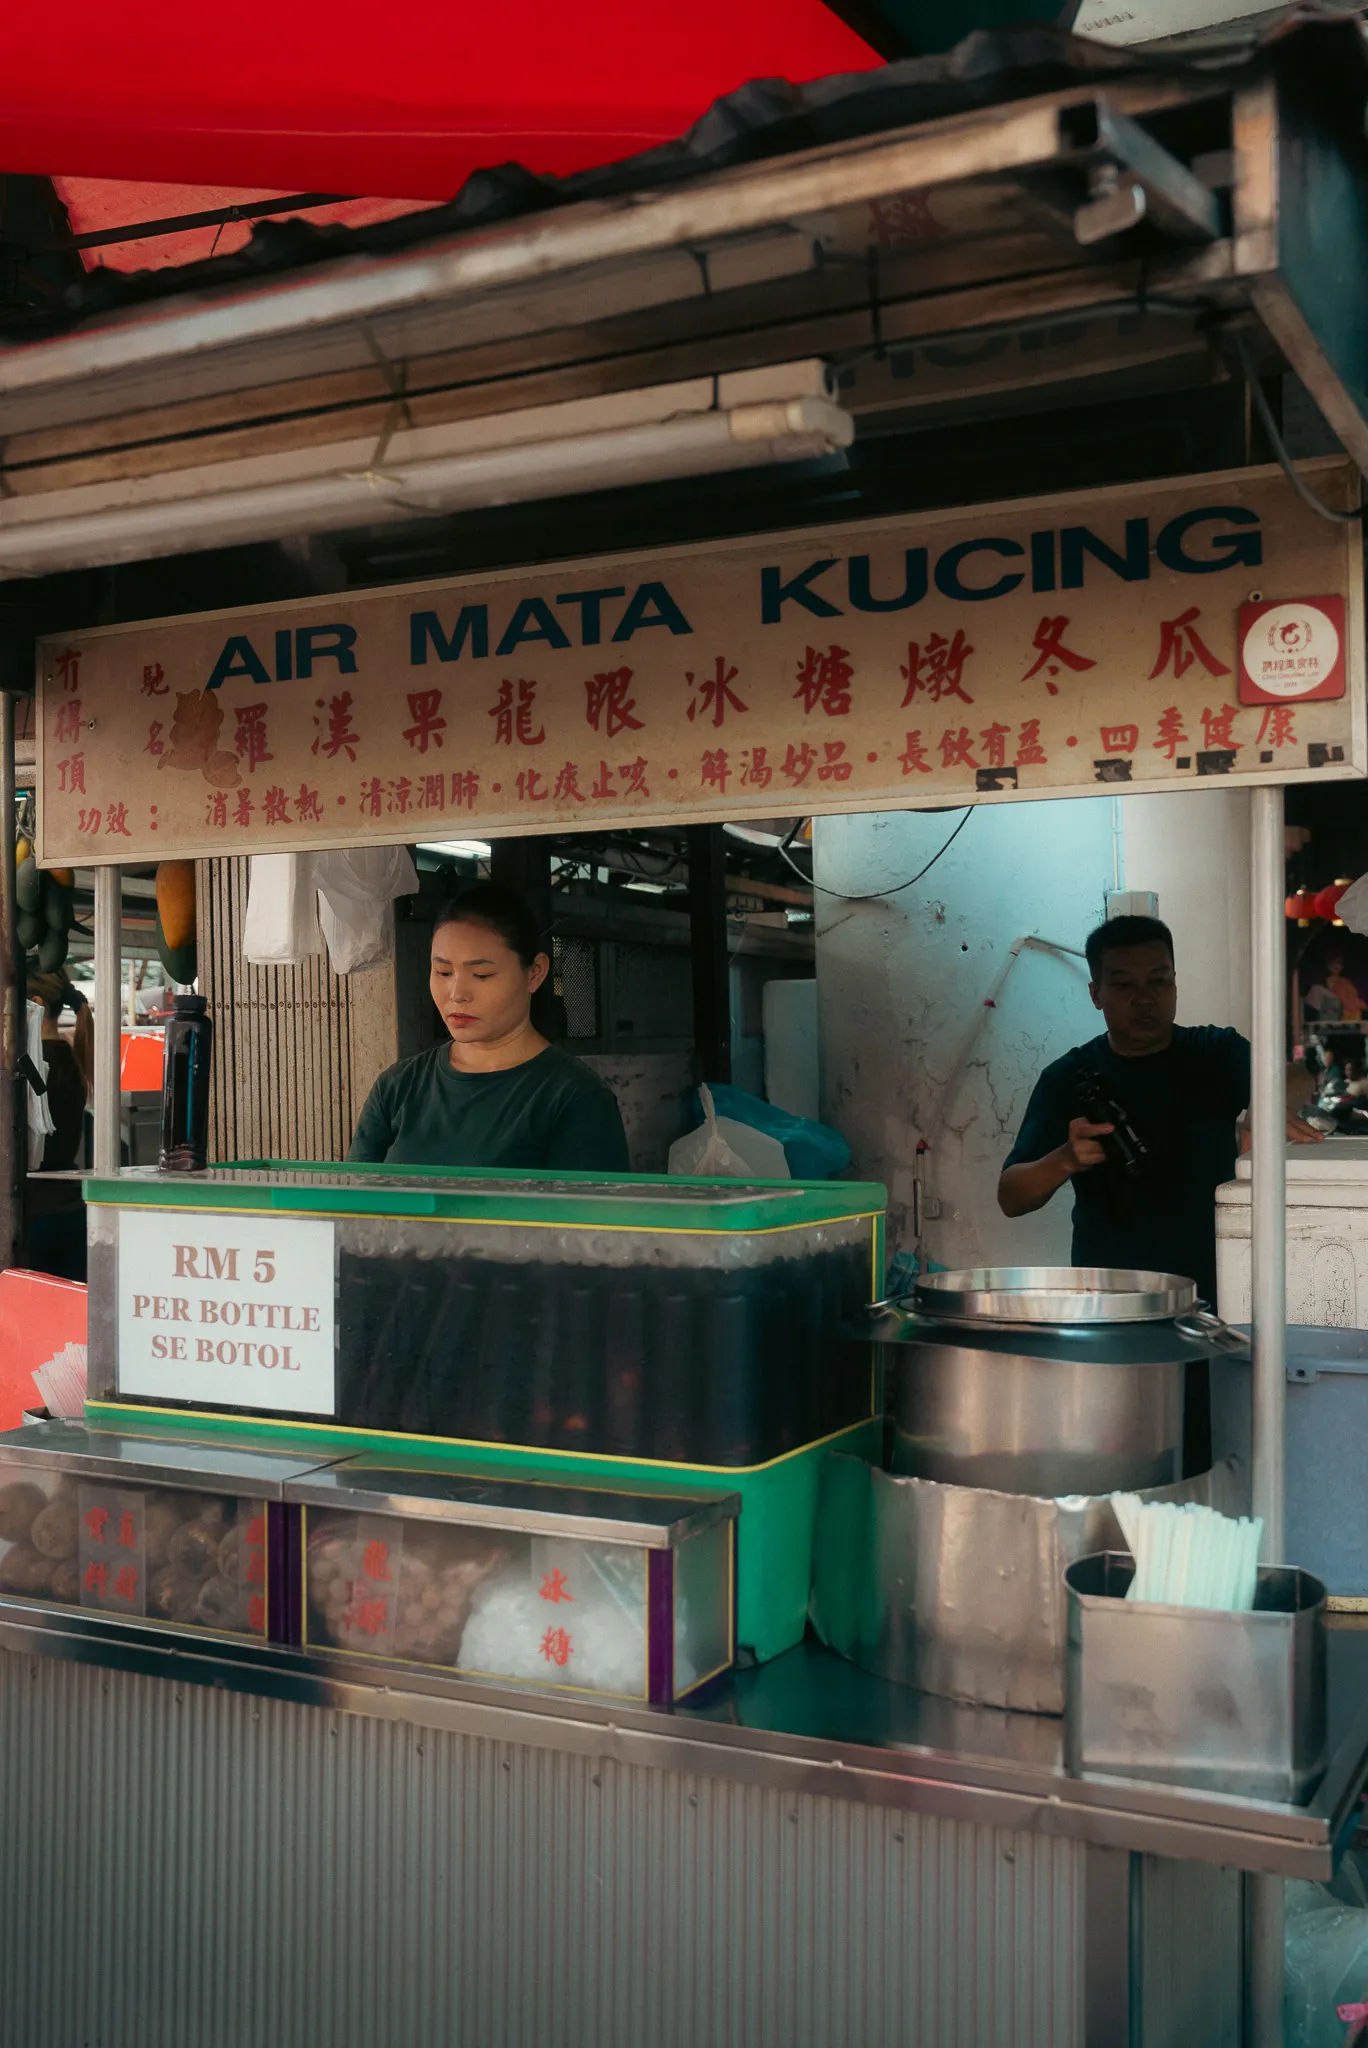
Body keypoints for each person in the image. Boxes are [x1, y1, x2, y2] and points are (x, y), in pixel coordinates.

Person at [997, 914, 1320, 1308]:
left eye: (1158, 980)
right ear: (1096, 993)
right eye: (1123, 985)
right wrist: (1064, 1159)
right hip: (1113, 1296)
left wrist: (1271, 1103)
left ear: (1174, 984)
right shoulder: (1068, 1078)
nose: (1145, 998)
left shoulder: (1214, 1051)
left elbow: (1295, 1075)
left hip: (1219, 1287)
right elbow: (1011, 1197)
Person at [349, 882, 629, 1172]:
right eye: (443, 972)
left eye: (482, 975)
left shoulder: (577, 1099)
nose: (457, 993)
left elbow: (589, 1215)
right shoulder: (397, 1086)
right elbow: (355, 1204)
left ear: (535, 973)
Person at [25, 974, 94, 1282]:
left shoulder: (35, 1067)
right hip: (67, 1210)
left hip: (35, 1215)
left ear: (36, 1005)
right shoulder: (68, 1056)